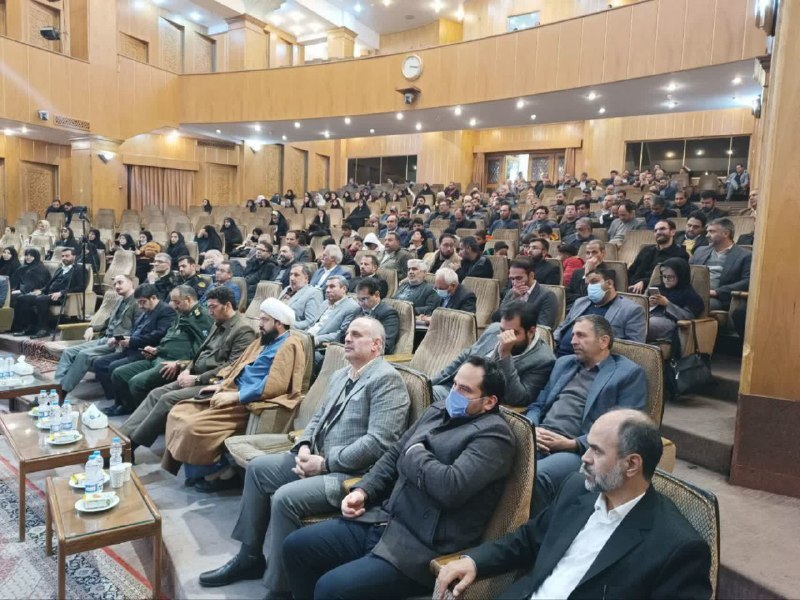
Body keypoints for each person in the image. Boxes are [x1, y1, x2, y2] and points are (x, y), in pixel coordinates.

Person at [198, 317, 410, 593]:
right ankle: (249, 556)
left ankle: (281, 587)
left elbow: (378, 443)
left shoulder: (387, 380)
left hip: (349, 475)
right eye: (347, 333)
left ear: (376, 345)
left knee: (285, 498)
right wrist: (305, 447)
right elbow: (318, 418)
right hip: (316, 457)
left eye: (357, 335)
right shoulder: (341, 374)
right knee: (259, 469)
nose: (348, 338)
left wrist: (324, 464)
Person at [282, 356, 516, 600]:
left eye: (465, 390)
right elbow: (395, 454)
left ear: (489, 402)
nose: (454, 393)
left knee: (330, 588)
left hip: (419, 547)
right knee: (296, 546)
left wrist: (414, 453)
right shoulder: (438, 410)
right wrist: (364, 491)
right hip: (385, 519)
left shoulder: (494, 437)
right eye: (455, 384)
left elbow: (450, 487)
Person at [436, 409, 712, 600]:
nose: (585, 458)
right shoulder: (576, 488)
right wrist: (474, 561)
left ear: (631, 464)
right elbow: (527, 540)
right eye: (588, 446)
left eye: (597, 451)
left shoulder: (677, 547)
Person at [163, 298, 307, 489]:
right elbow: (238, 365)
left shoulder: (290, 344)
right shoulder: (264, 340)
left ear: (279, 323)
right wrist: (222, 384)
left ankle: (219, 472)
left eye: (265, 320)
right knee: (178, 412)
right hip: (231, 389)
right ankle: (199, 471)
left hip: (249, 401)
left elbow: (275, 384)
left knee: (192, 426)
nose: (260, 324)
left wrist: (236, 396)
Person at [527, 315, 648, 509]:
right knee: (496, 461)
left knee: (533, 475)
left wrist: (573, 444)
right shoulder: (564, 364)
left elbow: (627, 428)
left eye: (581, 335)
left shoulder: (628, 374)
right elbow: (537, 405)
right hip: (538, 437)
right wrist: (531, 428)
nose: (573, 341)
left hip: (579, 448)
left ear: (603, 341)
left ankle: (536, 527)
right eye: (573, 335)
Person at [120, 286, 257, 453]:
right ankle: (122, 437)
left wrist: (197, 379)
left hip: (212, 383)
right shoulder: (218, 323)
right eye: (209, 307)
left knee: (167, 398)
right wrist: (187, 368)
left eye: (213, 307)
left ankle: (129, 447)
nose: (210, 311)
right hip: (194, 375)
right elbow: (200, 352)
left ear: (227, 305)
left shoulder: (243, 330)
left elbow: (231, 367)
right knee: (156, 393)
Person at [105, 285, 213, 417]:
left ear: (188, 299)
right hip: (158, 356)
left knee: (137, 383)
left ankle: (147, 417)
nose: (174, 306)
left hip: (173, 363)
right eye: (173, 301)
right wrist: (156, 349)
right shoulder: (182, 314)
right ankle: (129, 408)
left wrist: (182, 363)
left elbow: (204, 348)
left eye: (177, 302)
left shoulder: (201, 318)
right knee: (119, 373)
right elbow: (171, 338)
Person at [434, 301, 555, 405]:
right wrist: (431, 384)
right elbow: (465, 357)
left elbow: (518, 398)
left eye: (513, 333)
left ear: (531, 332)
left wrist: (505, 355)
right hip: (453, 385)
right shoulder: (494, 329)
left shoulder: (543, 360)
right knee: (423, 393)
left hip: (475, 401)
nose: (504, 337)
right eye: (502, 330)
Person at [92, 284, 176, 405]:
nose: (140, 306)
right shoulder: (146, 310)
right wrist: (120, 338)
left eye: (143, 302)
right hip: (132, 347)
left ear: (153, 298)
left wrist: (131, 341)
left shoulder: (165, 311)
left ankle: (124, 404)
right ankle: (113, 399)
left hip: (146, 351)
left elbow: (158, 335)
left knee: (115, 366)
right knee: (99, 363)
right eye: (139, 302)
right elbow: (135, 331)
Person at [56, 275, 139, 396]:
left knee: (84, 354)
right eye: (114, 284)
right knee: (68, 352)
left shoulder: (137, 303)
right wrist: (92, 327)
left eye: (120, 282)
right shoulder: (119, 301)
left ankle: (62, 391)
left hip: (117, 343)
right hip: (104, 338)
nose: (116, 286)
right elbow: (107, 323)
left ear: (131, 283)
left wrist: (117, 338)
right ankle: (56, 386)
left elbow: (137, 330)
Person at [554, 269, 646, 356]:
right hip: (558, 354)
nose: (590, 287)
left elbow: (634, 349)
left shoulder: (631, 310)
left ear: (609, 283)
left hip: (593, 361)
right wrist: (552, 342)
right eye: (588, 284)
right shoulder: (580, 302)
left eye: (594, 282)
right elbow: (562, 327)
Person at [11, 247, 86, 338]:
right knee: (22, 298)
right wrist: (41, 291)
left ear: (74, 256)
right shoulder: (60, 269)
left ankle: (44, 329)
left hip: (63, 297)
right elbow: (49, 284)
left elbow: (81, 287)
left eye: (67, 256)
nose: (64, 258)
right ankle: (31, 327)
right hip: (48, 294)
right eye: (62, 256)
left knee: (41, 299)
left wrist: (61, 293)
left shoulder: (79, 269)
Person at [690, 217, 752, 310]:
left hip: (719, 298)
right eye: (707, 231)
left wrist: (717, 292)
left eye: (712, 231)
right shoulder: (700, 251)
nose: (707, 235)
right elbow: (687, 271)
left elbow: (747, 281)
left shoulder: (744, 255)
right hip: (694, 292)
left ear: (726, 233)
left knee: (695, 304)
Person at [647, 257, 705, 342]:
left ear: (680, 276)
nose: (666, 280)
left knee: (646, 324)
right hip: (650, 316)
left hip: (669, 322)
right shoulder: (657, 288)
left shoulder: (690, 295)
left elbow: (687, 316)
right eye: (664, 276)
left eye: (670, 277)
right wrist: (649, 304)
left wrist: (667, 304)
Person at [307, 276, 360, 364]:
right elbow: (313, 324)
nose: (327, 290)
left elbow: (341, 334)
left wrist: (317, 339)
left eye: (332, 286)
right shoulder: (325, 303)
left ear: (343, 289)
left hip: (323, 347)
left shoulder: (352, 307)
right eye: (327, 287)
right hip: (308, 338)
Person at [627, 219, 689, 294]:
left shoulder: (680, 254)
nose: (658, 232)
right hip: (632, 289)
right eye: (655, 230)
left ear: (672, 232)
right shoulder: (646, 250)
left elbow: (670, 280)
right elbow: (632, 270)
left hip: (656, 293)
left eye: (662, 229)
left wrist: (644, 282)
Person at [340, 279, 399, 354]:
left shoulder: (388, 314)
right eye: (359, 299)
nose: (360, 303)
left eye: (364, 299)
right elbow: (343, 335)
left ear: (377, 295)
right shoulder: (358, 311)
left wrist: (356, 346)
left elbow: (385, 345)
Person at [495, 258, 558, 328]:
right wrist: (514, 299)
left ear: (531, 276)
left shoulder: (547, 296)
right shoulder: (512, 292)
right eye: (512, 279)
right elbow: (496, 317)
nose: (514, 283)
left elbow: (544, 325)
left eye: (519, 278)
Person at [279, 264, 323, 330]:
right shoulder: (286, 289)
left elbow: (310, 322)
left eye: (296, 275)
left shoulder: (313, 293)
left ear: (306, 278)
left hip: (291, 330)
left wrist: (287, 326)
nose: (292, 278)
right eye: (291, 274)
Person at [565, 240, 607, 307]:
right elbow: (567, 296)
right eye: (588, 253)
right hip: (575, 307)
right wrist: (581, 299)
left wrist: (587, 271)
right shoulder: (577, 272)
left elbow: (592, 297)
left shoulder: (608, 272)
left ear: (603, 253)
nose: (590, 256)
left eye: (594, 252)